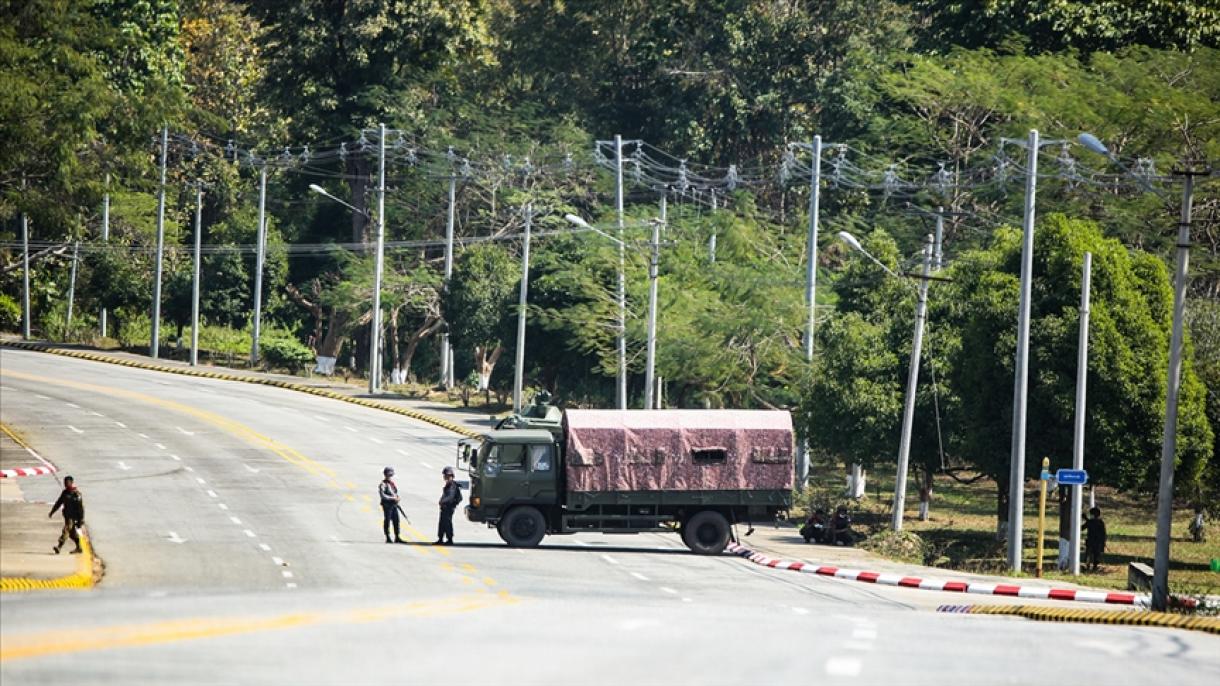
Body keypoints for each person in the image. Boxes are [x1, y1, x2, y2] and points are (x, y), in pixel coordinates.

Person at [48, 475, 85, 554]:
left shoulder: (77, 495)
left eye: (67, 482)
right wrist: (52, 512)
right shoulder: (65, 493)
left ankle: (59, 547)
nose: (65, 484)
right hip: (67, 516)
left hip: (73, 517)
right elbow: (59, 503)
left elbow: (80, 508)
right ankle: (79, 547)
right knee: (72, 534)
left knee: (66, 530)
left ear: (71, 482)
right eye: (65, 482)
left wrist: (81, 520)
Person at [436, 466, 462, 545]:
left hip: (448, 507)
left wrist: (442, 501)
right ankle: (440, 538)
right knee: (442, 523)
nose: (445, 476)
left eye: (446, 475)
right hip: (445, 507)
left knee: (447, 523)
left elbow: (450, 497)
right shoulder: (449, 484)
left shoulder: (452, 485)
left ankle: (449, 539)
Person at [379, 467, 405, 544]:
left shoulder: (392, 483)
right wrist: (393, 498)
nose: (389, 476)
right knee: (387, 520)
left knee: (396, 521)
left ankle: (397, 536)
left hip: (394, 505)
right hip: (387, 505)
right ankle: (388, 537)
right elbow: (383, 495)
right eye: (388, 474)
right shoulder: (383, 484)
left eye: (391, 474)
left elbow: (395, 492)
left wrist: (397, 497)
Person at [1083, 506, 1107, 572]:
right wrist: (1103, 542)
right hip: (1098, 542)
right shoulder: (1101, 522)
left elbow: (1082, 528)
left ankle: (1088, 566)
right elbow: (1104, 533)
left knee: (1089, 553)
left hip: (1091, 541)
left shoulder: (1090, 522)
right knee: (1096, 555)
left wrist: (1085, 519)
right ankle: (1094, 567)